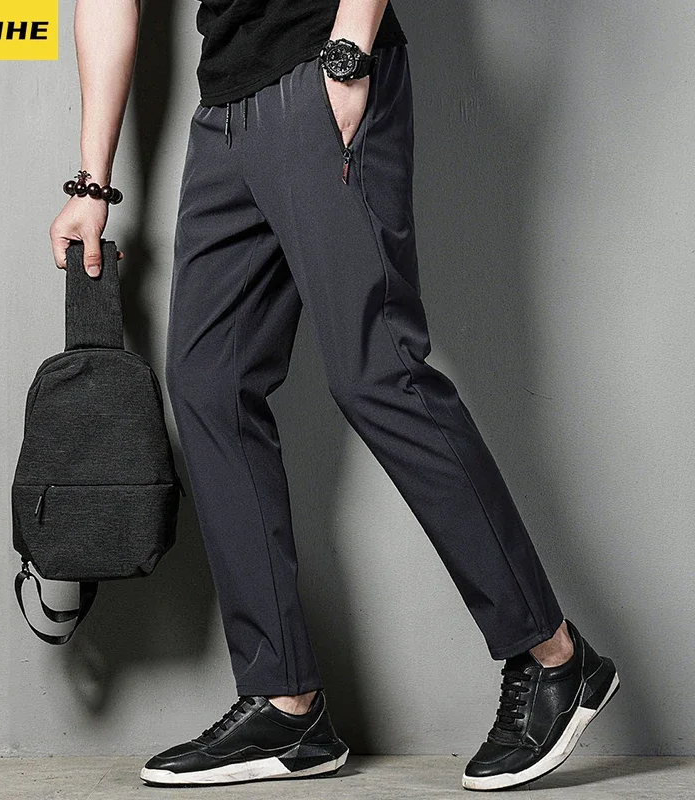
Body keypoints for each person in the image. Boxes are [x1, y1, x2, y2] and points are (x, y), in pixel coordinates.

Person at [49, 0, 620, 791]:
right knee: (210, 383)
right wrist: (92, 180)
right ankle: (286, 704)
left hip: (321, 64)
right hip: (226, 106)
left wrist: (349, 50)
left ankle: (555, 659)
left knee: (378, 371)